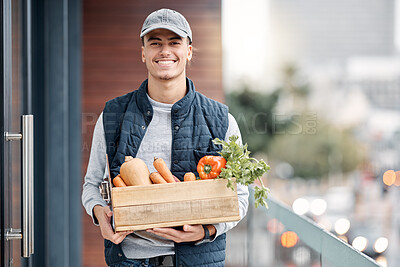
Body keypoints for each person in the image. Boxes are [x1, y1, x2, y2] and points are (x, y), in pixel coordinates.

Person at [82, 8, 249, 267]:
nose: (164, 51)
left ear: (189, 51)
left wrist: (207, 231)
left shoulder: (221, 120)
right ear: (143, 53)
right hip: (130, 259)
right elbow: (92, 184)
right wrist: (99, 215)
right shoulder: (113, 115)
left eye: (174, 42)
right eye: (155, 43)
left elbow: (240, 197)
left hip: (197, 259)